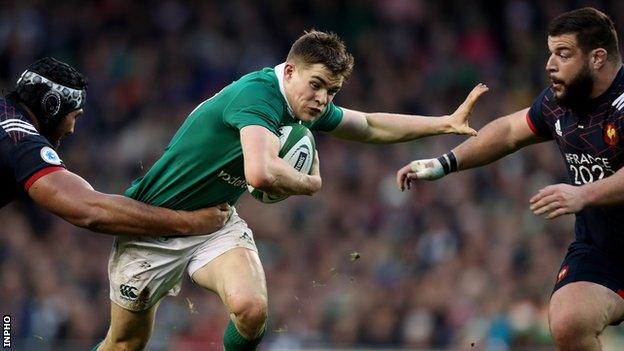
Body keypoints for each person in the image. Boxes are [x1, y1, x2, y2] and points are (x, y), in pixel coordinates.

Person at [95, 30, 488, 351]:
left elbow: (368, 125)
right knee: (125, 344)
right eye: (316, 85)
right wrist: (310, 184)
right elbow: (262, 174)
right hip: (152, 223)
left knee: (251, 309)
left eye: (331, 91)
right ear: (289, 72)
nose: (322, 99)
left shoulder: (299, 105)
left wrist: (443, 123)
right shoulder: (260, 96)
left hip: (211, 222)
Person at [397, 7, 624, 351]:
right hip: (602, 249)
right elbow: (507, 132)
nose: (550, 63)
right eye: (550, 52)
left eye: (563, 53)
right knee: (568, 322)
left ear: (597, 58)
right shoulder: (560, 102)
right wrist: (445, 162)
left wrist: (584, 195)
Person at [1, 57, 231, 236]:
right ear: (51, 106)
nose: (71, 129)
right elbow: (89, 211)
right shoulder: (22, 140)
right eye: (74, 117)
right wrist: (188, 222)